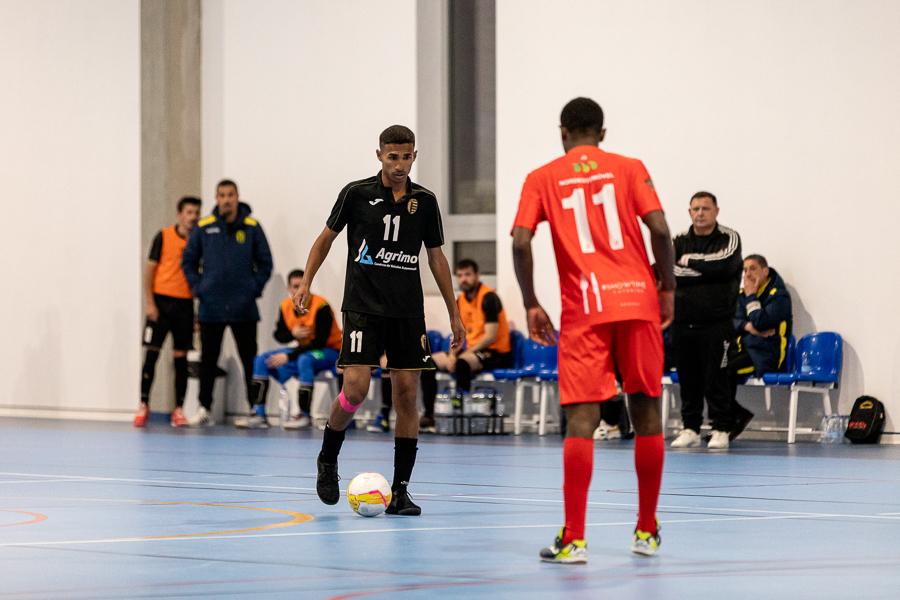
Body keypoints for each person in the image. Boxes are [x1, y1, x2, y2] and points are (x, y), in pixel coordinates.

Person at [512, 97, 675, 563]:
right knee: (646, 411)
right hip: (637, 298)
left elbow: (522, 240)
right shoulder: (629, 167)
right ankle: (646, 531)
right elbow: (660, 230)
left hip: (585, 307)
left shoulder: (542, 177)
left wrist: (530, 302)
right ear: (602, 133)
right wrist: (666, 288)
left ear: (562, 131)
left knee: (582, 420)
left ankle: (576, 540)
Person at [294, 125, 465, 516]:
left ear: (414, 156)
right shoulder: (356, 194)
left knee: (407, 395)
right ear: (379, 156)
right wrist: (307, 281)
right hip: (363, 307)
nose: (400, 164)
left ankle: (401, 491)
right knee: (354, 388)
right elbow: (326, 239)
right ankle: (328, 457)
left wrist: (454, 312)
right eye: (392, 157)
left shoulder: (426, 201)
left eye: (406, 157)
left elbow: (436, 257)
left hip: (407, 311)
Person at [181, 179, 273, 427]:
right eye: (221, 195)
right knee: (208, 360)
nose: (226, 199)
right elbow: (188, 261)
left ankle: (255, 409)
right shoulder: (204, 227)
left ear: (237, 197)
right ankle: (204, 409)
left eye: (230, 194)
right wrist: (199, 289)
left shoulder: (252, 227)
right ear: (216, 198)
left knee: (249, 360)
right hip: (211, 307)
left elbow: (266, 263)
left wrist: (252, 289)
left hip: (244, 307)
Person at [669, 191, 742, 450]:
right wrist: (705, 272)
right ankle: (690, 428)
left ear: (716, 211)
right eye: (696, 209)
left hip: (717, 323)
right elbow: (667, 270)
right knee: (688, 379)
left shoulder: (729, 238)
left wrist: (689, 263)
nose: (700, 213)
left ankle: (722, 427)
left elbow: (726, 265)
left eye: (705, 208)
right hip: (683, 323)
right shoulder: (678, 240)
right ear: (689, 212)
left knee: (717, 377)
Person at [419, 258, 513, 431]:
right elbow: (457, 335)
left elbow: (490, 336)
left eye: (468, 275)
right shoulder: (460, 301)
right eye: (460, 275)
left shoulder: (489, 298)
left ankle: (461, 411)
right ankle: (429, 415)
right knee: (428, 363)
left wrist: (461, 356)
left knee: (463, 363)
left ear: (477, 275)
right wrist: (451, 356)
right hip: (470, 351)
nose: (463, 279)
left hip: (495, 352)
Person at [134, 196, 202, 428]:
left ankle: (179, 409)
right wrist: (150, 303)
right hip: (161, 303)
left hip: (184, 305)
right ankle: (143, 404)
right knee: (151, 355)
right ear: (179, 214)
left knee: (181, 358)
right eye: (189, 212)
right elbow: (149, 270)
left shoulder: (197, 241)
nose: (192, 217)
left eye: (196, 213)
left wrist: (195, 314)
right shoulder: (163, 237)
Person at [246, 269, 342, 429]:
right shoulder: (285, 306)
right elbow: (279, 335)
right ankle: (259, 413)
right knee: (261, 360)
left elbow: (319, 343)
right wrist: (292, 333)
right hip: (304, 351)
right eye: (295, 286)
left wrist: (289, 357)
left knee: (305, 359)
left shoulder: (321, 306)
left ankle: (304, 414)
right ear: (289, 288)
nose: (298, 290)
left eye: (301, 286)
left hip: (330, 352)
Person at [726, 254, 793, 440]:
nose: (747, 274)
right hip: (744, 350)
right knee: (711, 369)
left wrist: (751, 297)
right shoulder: (741, 294)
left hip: (766, 354)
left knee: (725, 370)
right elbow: (731, 321)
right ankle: (732, 418)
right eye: (745, 270)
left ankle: (729, 422)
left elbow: (762, 322)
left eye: (753, 269)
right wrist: (748, 327)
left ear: (765, 271)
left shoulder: (778, 296)